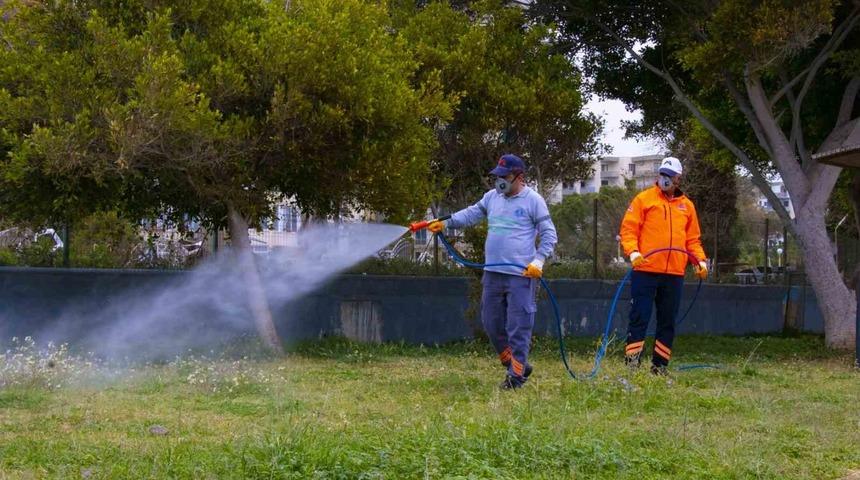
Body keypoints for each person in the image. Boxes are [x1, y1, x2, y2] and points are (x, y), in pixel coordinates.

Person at [429, 154, 557, 389]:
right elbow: (471, 213)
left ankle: (516, 377)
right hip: (493, 274)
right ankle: (517, 365)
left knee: (519, 326)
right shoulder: (492, 197)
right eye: (497, 177)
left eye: (504, 176)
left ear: (519, 177)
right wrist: (446, 223)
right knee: (491, 323)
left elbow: (549, 233)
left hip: (521, 275)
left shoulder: (534, 201)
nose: (499, 181)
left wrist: (538, 261)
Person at [619, 156, 708, 375]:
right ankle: (632, 365)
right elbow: (628, 230)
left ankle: (660, 367)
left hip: (674, 274)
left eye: (670, 175)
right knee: (639, 317)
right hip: (645, 270)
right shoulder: (644, 199)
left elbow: (692, 240)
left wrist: (700, 261)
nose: (665, 179)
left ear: (678, 178)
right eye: (662, 174)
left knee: (667, 321)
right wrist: (633, 252)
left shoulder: (687, 206)